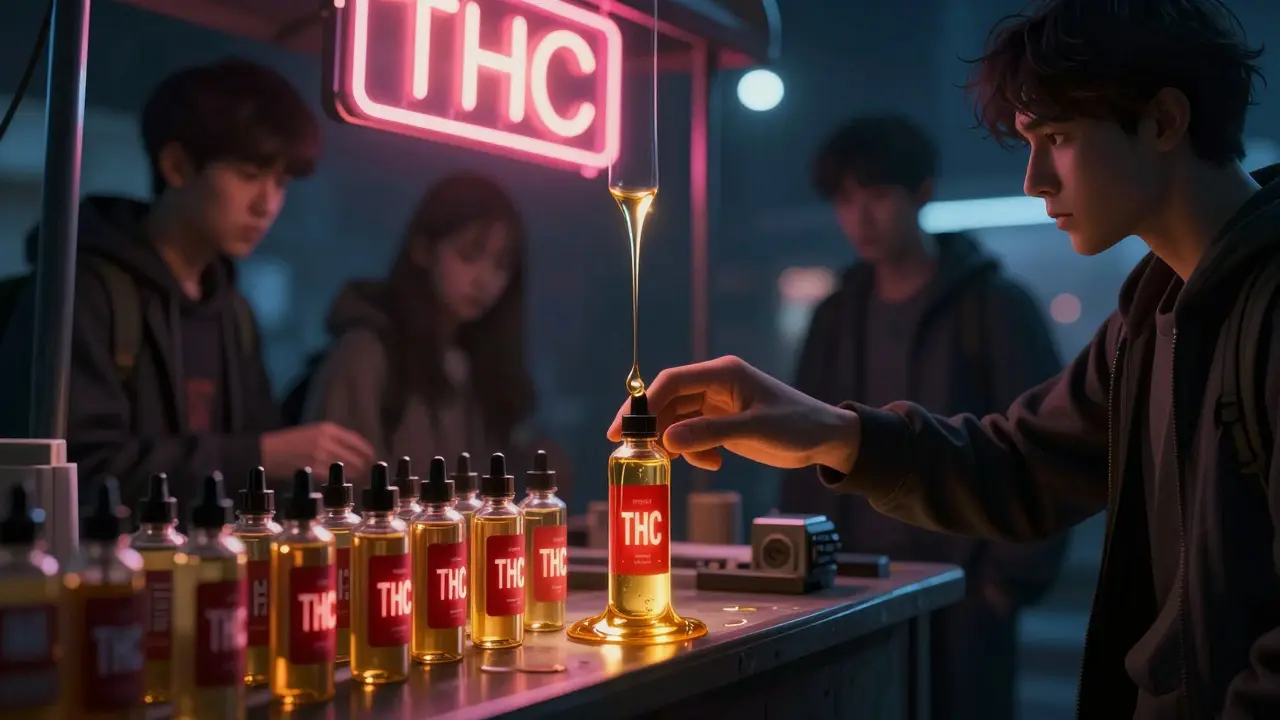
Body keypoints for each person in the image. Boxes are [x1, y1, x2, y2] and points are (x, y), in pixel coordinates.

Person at [610, 1, 1280, 717]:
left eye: (1056, 137)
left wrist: (992, 593)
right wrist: (832, 432)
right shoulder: (1147, 319)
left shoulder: (1260, 305)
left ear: (1164, 121)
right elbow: (1021, 461)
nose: (1034, 181)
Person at [787, 114, 1067, 720]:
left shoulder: (992, 306)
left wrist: (1001, 586)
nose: (861, 217)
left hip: (962, 594)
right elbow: (801, 447)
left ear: (921, 193)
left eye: (878, 195)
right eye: (846, 199)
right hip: (851, 588)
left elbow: (1049, 449)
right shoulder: (836, 315)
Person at [0, 58, 375, 503]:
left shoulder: (232, 312)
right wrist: (256, 455)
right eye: (249, 176)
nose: (267, 204)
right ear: (177, 166)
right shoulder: (83, 295)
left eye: (281, 182)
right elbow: (74, 473)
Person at [300, 173, 571, 498]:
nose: (486, 280)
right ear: (423, 249)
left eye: (501, 264)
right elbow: (338, 500)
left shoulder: (476, 365)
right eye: (470, 255)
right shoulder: (366, 354)